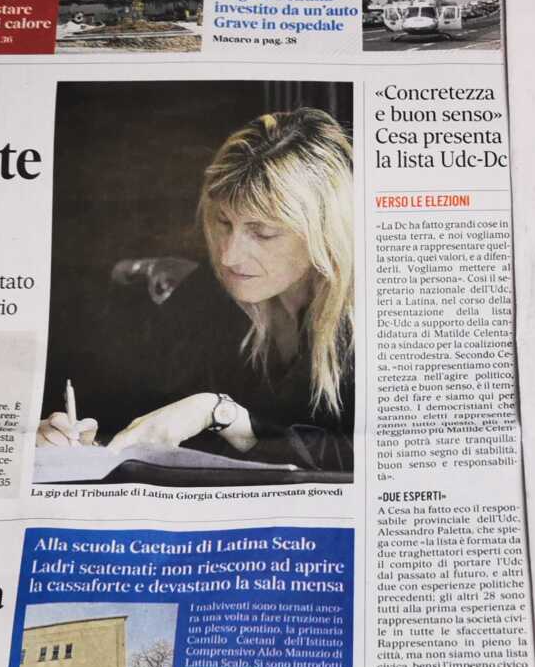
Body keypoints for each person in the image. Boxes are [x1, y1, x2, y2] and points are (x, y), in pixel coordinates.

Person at [39, 107, 355, 474]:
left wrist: (216, 413)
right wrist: (81, 444)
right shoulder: (210, 294)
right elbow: (142, 419)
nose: (229, 256)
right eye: (224, 223)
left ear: (324, 233)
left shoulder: (369, 320)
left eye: (263, 233)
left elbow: (355, 463)